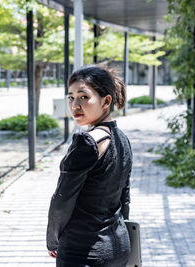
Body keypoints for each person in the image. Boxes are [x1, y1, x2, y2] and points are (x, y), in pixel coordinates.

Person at [46, 65, 133, 267]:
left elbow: (62, 199)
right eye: (71, 97)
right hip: (118, 246)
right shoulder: (122, 139)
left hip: (83, 251)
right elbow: (124, 196)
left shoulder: (86, 143)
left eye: (84, 97)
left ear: (106, 101)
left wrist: (52, 240)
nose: (75, 105)